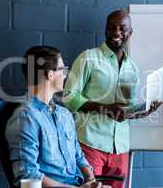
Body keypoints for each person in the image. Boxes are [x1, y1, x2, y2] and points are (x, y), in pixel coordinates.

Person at [63, 10, 162, 188]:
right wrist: (105, 109)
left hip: (121, 149)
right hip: (90, 144)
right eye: (111, 28)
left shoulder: (132, 67)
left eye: (122, 28)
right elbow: (69, 96)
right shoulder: (88, 58)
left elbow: (126, 109)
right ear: (105, 31)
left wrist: (146, 109)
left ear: (130, 32)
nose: (116, 33)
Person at [6, 46, 110, 188]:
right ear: (49, 74)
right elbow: (28, 178)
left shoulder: (64, 114)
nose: (65, 74)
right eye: (62, 69)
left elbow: (78, 156)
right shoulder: (26, 118)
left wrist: (91, 180)